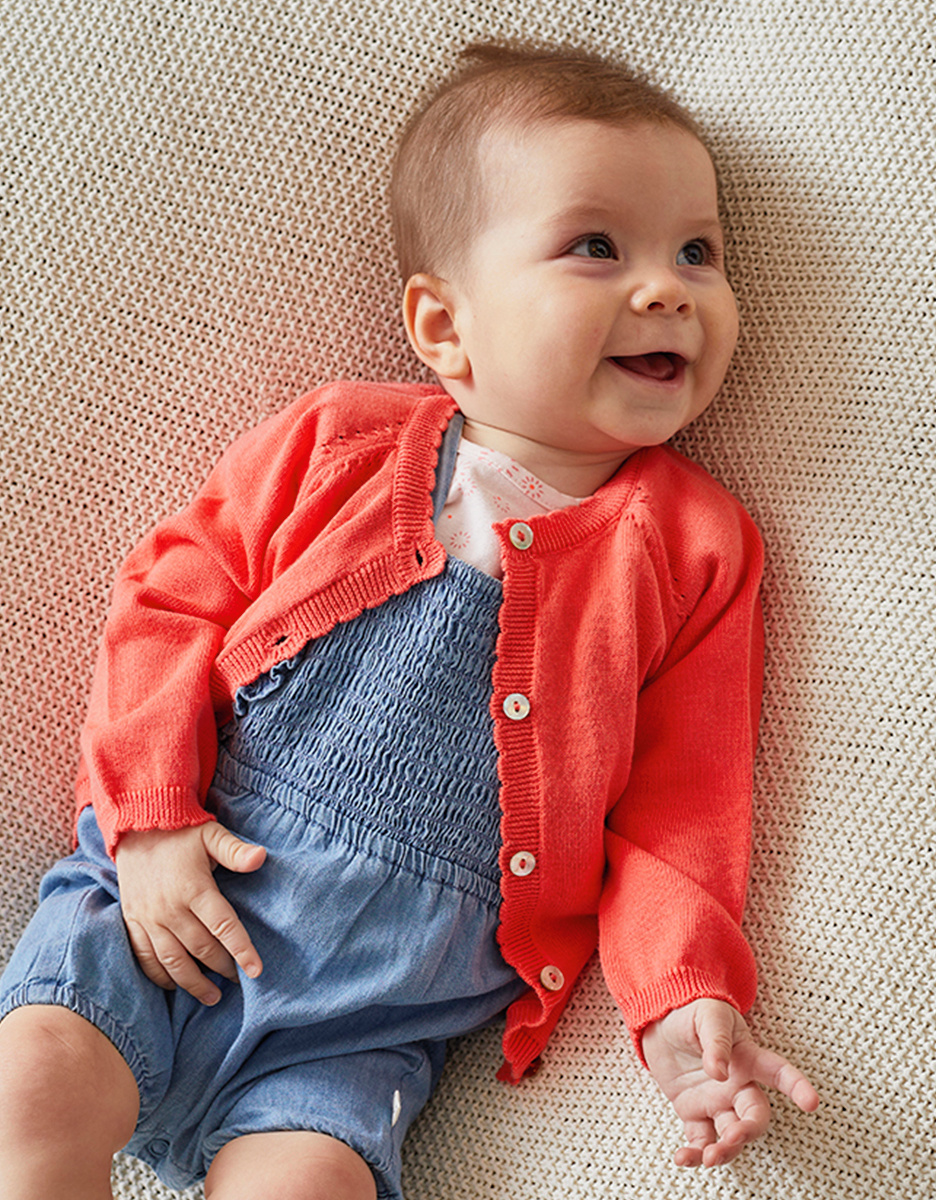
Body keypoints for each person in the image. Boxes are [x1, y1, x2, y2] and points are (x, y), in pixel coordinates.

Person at [0, 41, 819, 1200]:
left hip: (370, 1013)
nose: (667, 287)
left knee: (307, 1188)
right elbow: (168, 602)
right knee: (30, 1077)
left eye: (699, 250)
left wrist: (686, 1002)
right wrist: (148, 815)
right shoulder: (341, 441)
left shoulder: (696, 547)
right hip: (178, 892)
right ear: (444, 325)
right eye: (598, 247)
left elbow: (685, 808)